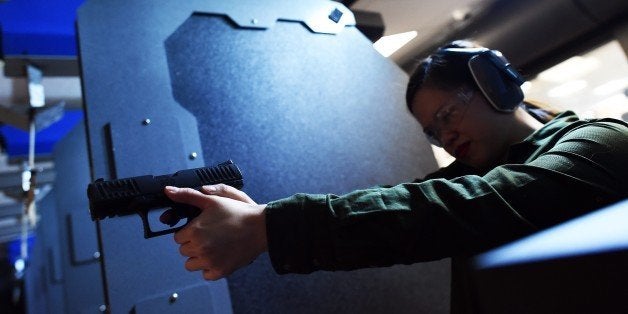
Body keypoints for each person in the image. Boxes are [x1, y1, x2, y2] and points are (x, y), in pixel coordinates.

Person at [163, 40, 628, 313]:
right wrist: (261, 217)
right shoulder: (483, 173)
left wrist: (272, 227)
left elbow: (470, 206)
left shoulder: (602, 141)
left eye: (448, 113)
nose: (445, 135)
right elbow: (405, 200)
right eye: (433, 130)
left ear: (494, 83)